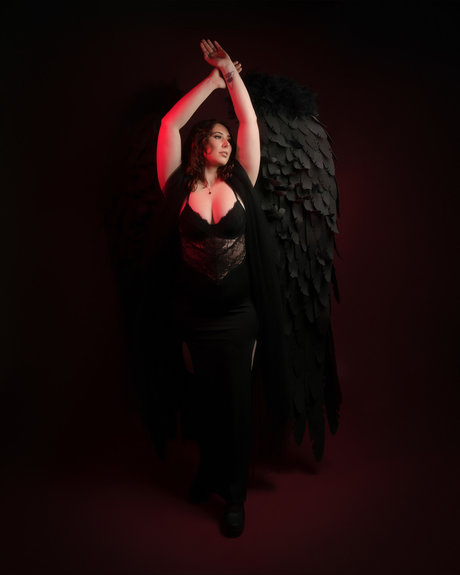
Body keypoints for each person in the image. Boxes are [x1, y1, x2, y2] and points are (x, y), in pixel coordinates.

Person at [153, 39, 289, 538]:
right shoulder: (176, 187)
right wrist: (210, 82)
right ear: (199, 146)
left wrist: (231, 74)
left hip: (238, 318)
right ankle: (208, 472)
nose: (227, 142)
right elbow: (169, 124)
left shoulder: (243, 183)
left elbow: (249, 121)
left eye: (228, 138)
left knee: (235, 405)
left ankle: (234, 494)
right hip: (193, 316)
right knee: (203, 401)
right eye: (217, 136)